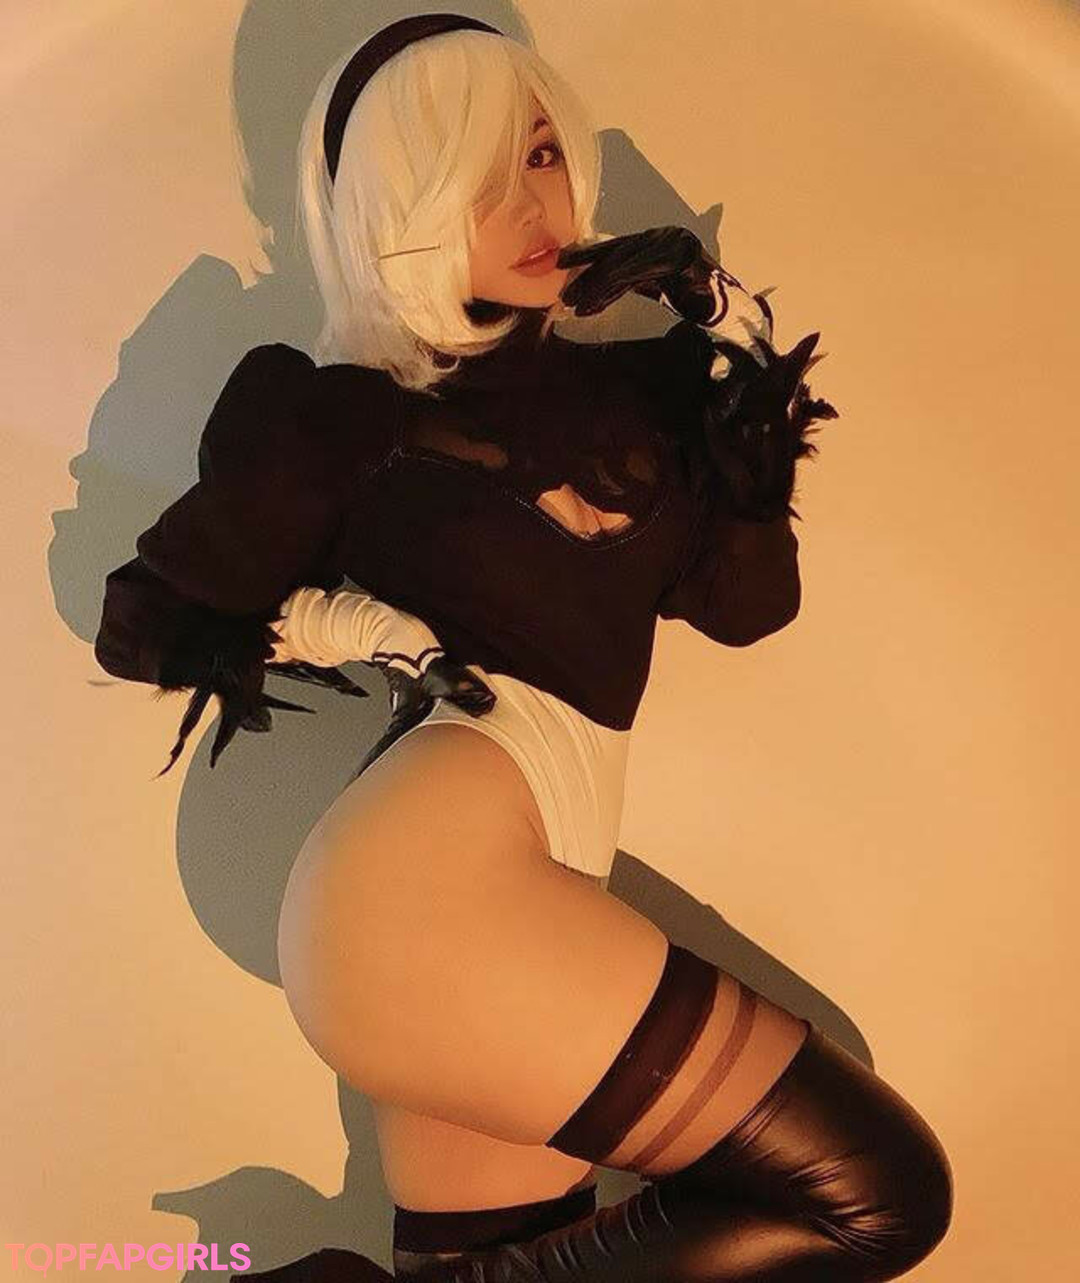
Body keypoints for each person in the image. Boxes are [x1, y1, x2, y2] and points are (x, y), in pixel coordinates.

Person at [93, 13, 952, 1282]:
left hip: (517, 897)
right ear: (398, 201)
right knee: (876, 1194)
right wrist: (361, 627)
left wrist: (733, 339)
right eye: (472, 170)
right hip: (421, 894)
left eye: (540, 153)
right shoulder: (343, 412)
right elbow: (146, 625)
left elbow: (748, 603)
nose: (529, 201)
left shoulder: (650, 393)